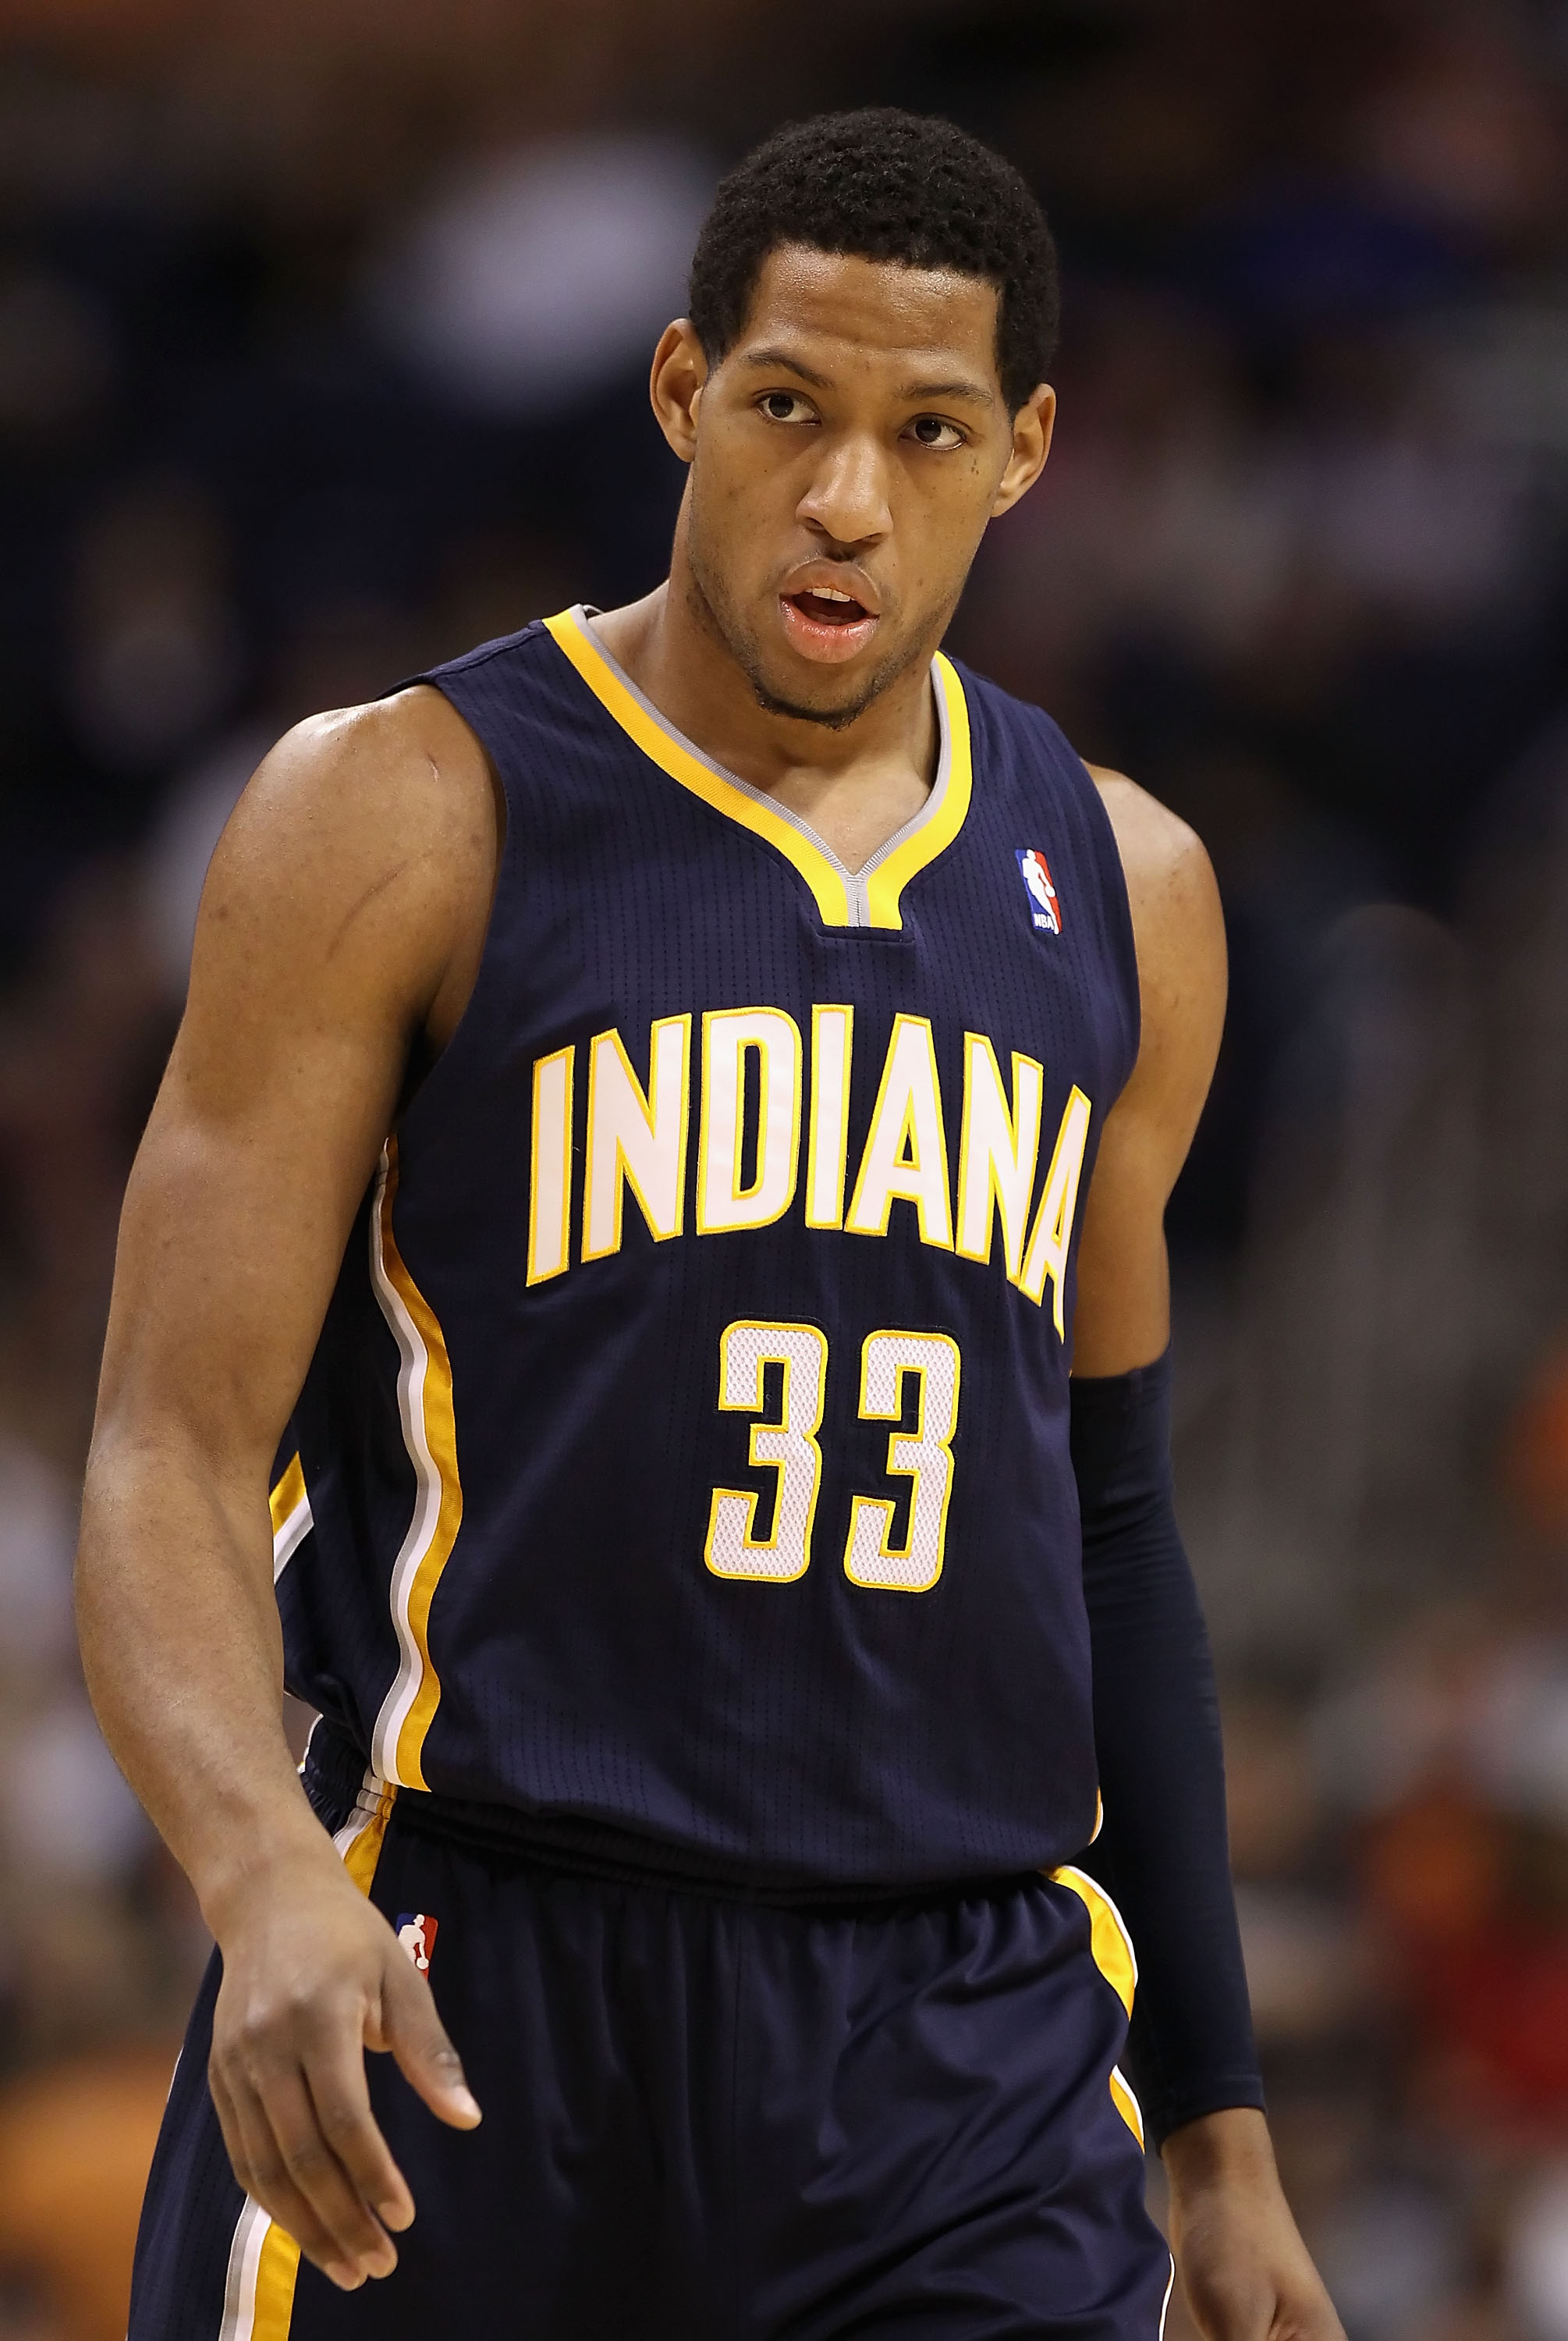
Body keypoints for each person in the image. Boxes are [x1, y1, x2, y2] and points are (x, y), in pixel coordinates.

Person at [77, 109, 1343, 2341]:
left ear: (1026, 450)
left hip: (956, 2038)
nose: (846, 497)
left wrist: (1217, 2133)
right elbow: (166, 1453)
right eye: (789, 409)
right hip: (484, 1978)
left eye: (924, 431)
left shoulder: (1127, 889)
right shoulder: (398, 813)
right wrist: (260, 1874)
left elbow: (1111, 1524)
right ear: (683, 394)